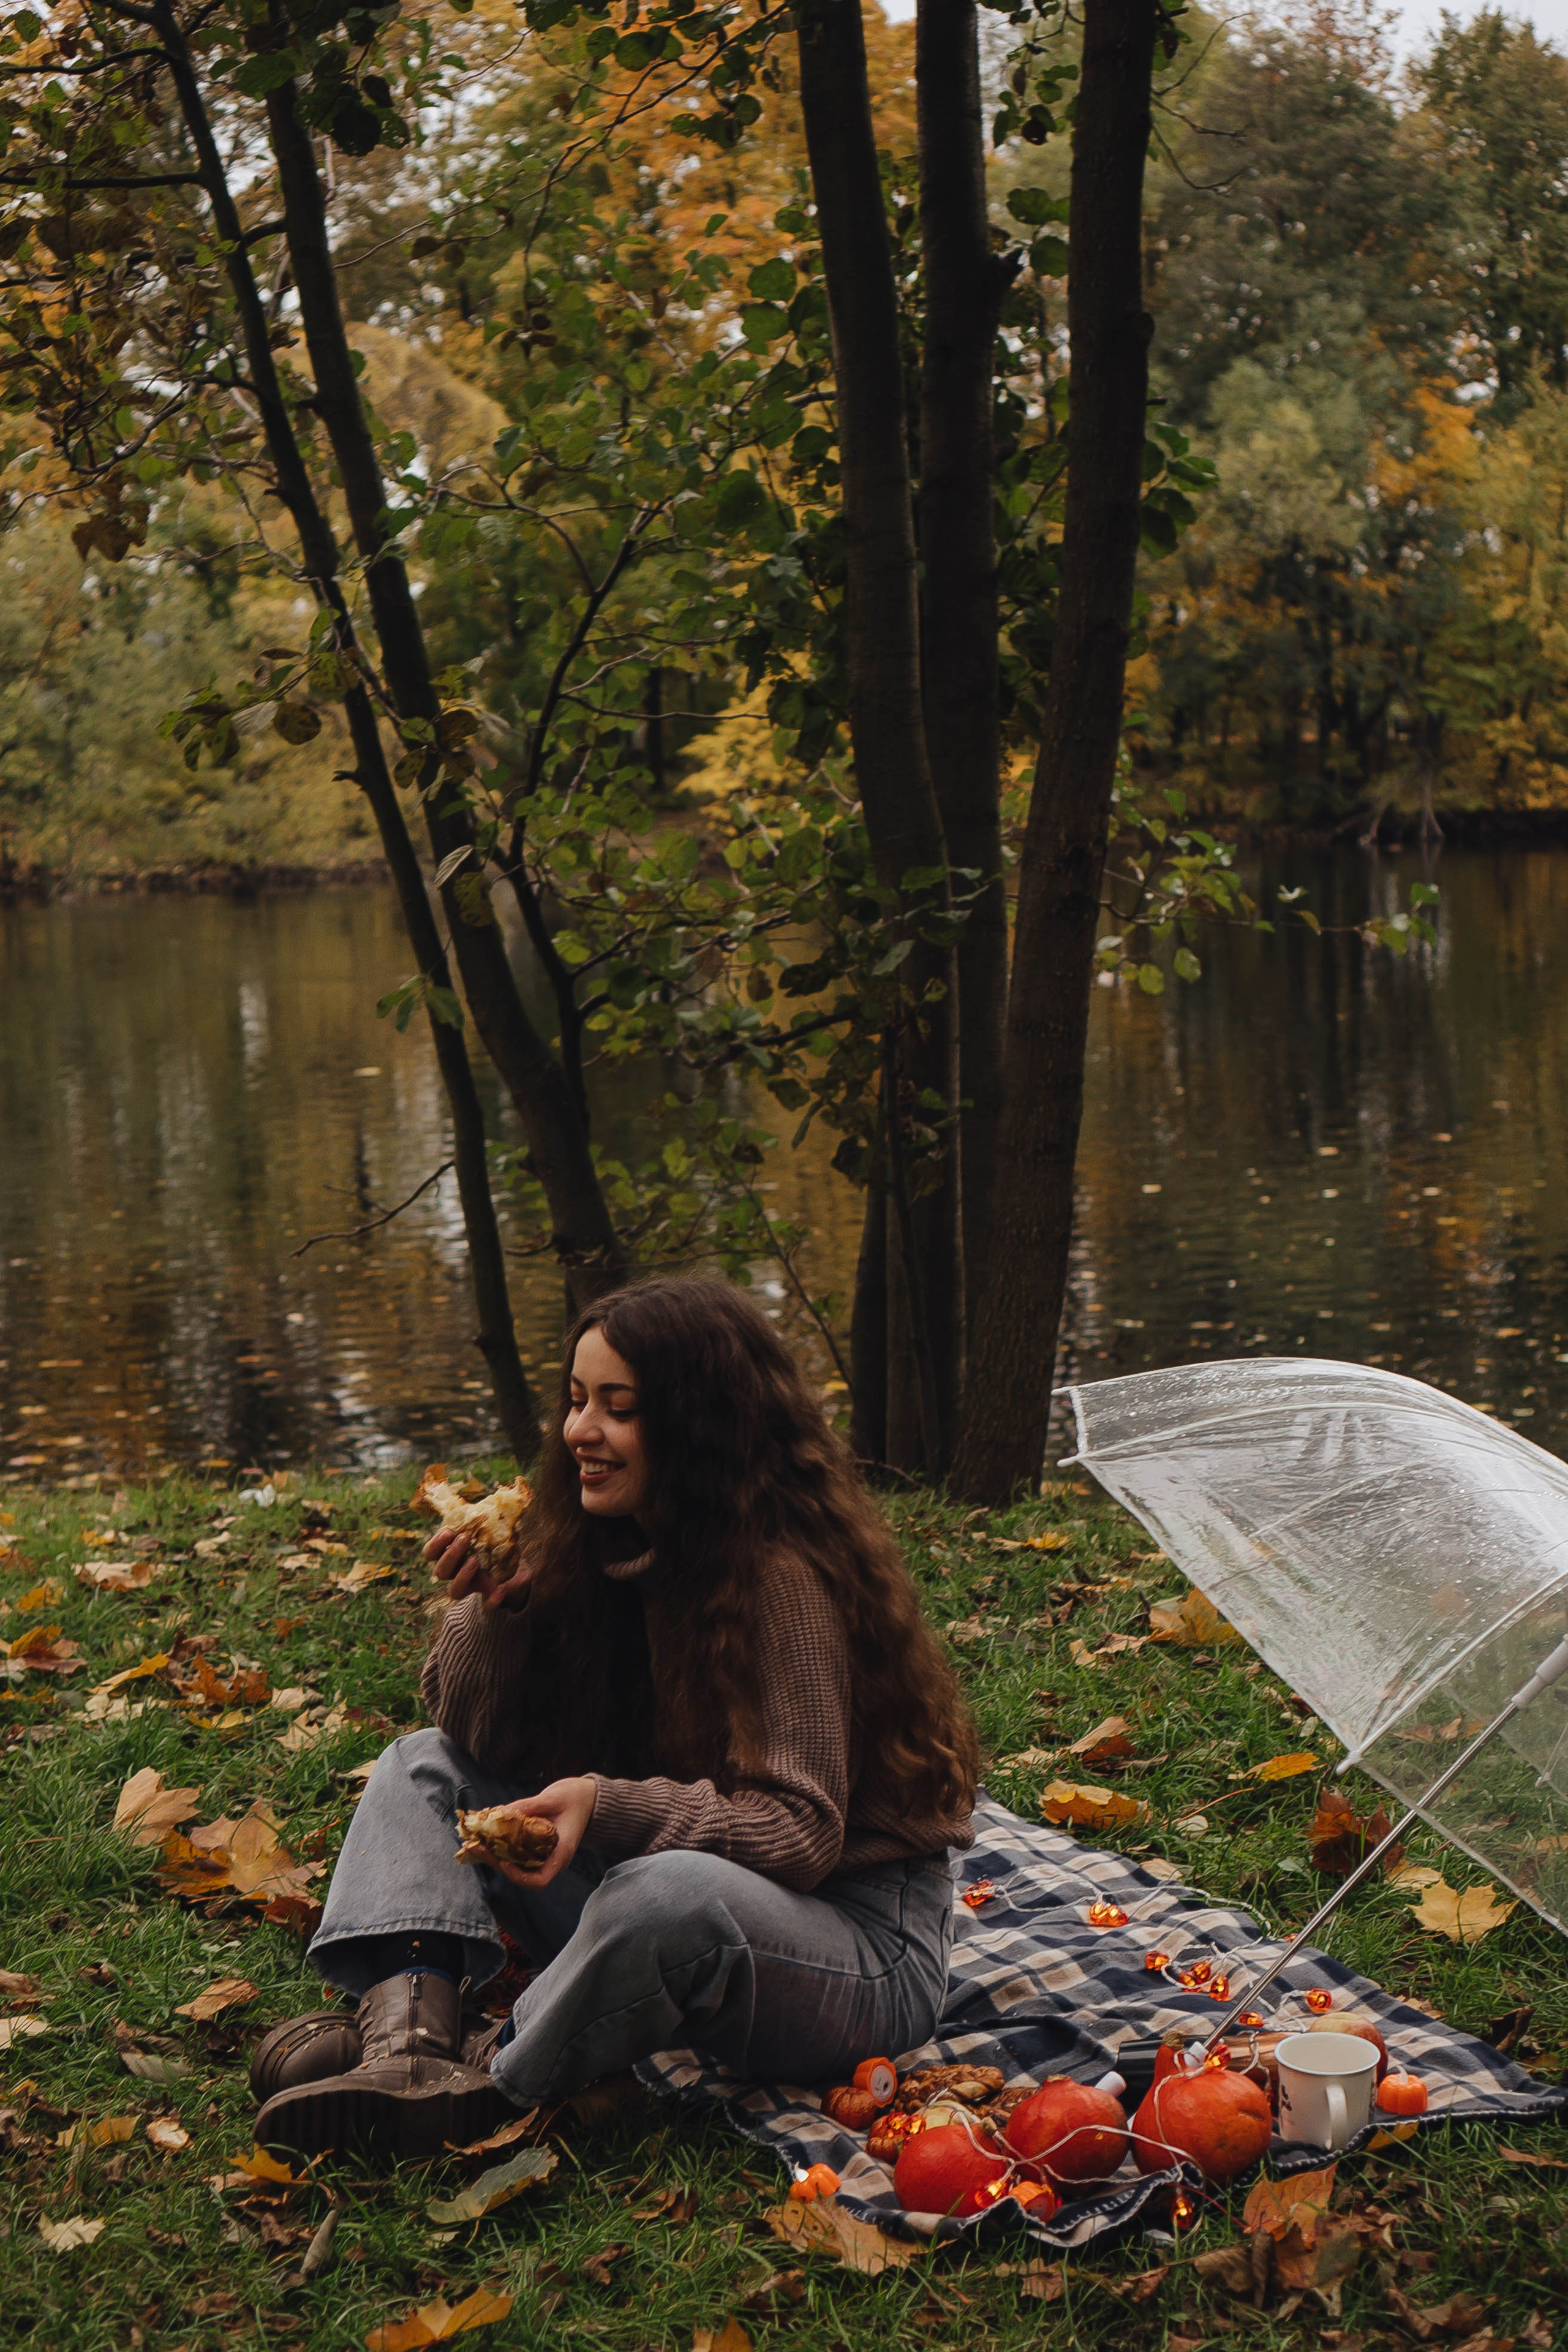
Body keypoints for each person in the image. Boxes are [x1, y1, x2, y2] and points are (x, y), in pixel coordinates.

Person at [252, 1275, 978, 2158]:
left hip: (850, 1948)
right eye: (575, 1400)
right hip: (680, 1901)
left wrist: (608, 1805)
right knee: (422, 1766)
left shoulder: (779, 1579)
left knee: (662, 1891)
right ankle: (408, 2044)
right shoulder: (606, 1538)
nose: (579, 1432)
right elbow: (479, 1738)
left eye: (618, 1407)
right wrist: (498, 1615)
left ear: (695, 1422)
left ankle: (497, 2080)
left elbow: (801, 1837)